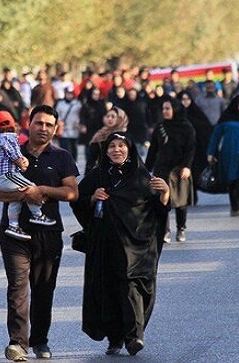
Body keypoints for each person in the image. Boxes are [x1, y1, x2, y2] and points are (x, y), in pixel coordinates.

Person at [0, 105, 79, 361]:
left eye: (49, 125)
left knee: (43, 289)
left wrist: (43, 191)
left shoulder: (62, 157)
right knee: (17, 287)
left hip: (48, 235)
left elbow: (72, 192)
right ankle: (18, 343)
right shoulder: (11, 150)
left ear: (56, 128)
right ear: (29, 124)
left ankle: (40, 340)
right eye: (39, 123)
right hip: (14, 234)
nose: (43, 128)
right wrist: (23, 195)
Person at [71, 131, 170, 356]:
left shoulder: (142, 176)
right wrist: (92, 198)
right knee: (108, 290)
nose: (116, 150)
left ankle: (135, 336)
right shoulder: (98, 175)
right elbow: (78, 200)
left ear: (130, 149)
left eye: (121, 146)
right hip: (106, 245)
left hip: (137, 245)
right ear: (105, 151)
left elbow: (158, 210)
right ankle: (115, 338)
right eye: (112, 146)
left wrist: (165, 194)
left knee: (131, 285)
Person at [0, 110, 56, 241]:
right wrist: (21, 163)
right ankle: (37, 214)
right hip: (7, 175)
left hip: (0, 177)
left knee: (16, 200)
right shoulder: (8, 138)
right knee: (31, 187)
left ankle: (13, 225)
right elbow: (12, 152)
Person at [145, 98, 195, 243]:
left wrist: (187, 166)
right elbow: (153, 150)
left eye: (168, 108)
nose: (165, 111)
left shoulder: (187, 127)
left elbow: (190, 149)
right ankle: (164, 230)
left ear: (175, 109)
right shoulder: (160, 127)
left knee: (180, 201)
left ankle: (181, 228)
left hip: (179, 170)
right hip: (162, 169)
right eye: (164, 109)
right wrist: (146, 170)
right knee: (163, 200)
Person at [85, 107, 129, 173]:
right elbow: (91, 159)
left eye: (113, 116)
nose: (110, 118)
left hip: (122, 173)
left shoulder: (124, 136)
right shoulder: (100, 134)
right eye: (108, 116)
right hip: (102, 173)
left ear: (120, 119)